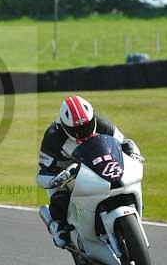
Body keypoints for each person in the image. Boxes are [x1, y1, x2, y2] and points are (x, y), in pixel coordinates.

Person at [35, 95, 142, 248]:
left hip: (99, 162)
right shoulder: (53, 137)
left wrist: (134, 154)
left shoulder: (102, 124)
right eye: (76, 130)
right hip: (67, 173)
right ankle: (59, 227)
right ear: (65, 127)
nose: (83, 133)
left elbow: (125, 143)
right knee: (61, 201)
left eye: (86, 126)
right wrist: (58, 178)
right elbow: (41, 174)